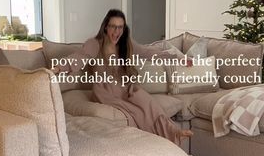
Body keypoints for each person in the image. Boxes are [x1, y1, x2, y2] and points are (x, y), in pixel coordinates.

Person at [62, 9, 192, 145]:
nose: (116, 31)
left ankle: (173, 132)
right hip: (106, 92)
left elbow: (149, 53)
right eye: (113, 26)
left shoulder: (126, 44)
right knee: (136, 112)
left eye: (120, 27)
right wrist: (58, 68)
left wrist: (177, 58)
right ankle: (148, 143)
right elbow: (79, 58)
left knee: (147, 101)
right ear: (106, 27)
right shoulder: (94, 44)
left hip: (126, 88)